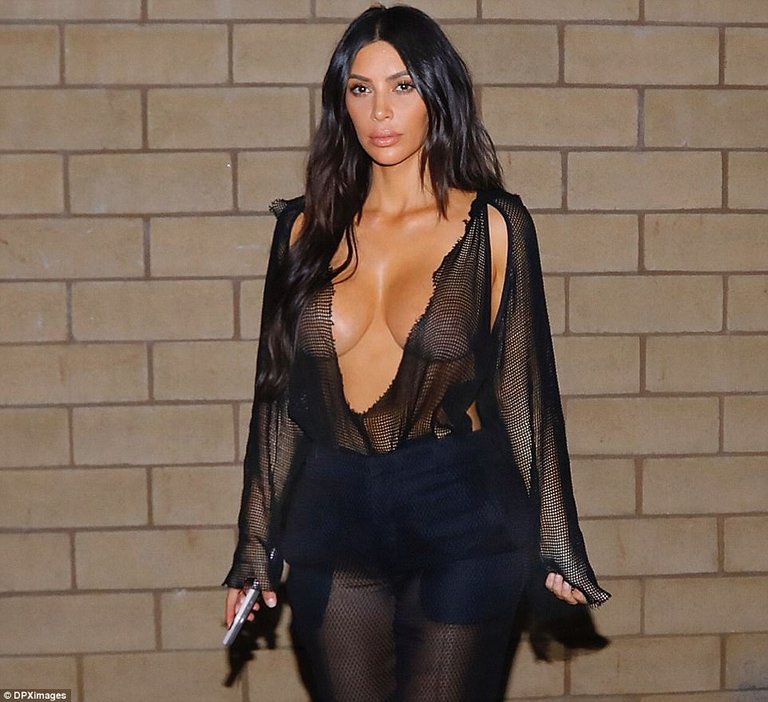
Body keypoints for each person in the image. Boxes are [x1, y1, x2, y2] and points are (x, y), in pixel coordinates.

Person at [224, 4, 609, 700]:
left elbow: (525, 396)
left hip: (459, 515)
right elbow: (277, 397)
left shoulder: (493, 225)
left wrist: (559, 540)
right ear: (341, 103)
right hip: (333, 516)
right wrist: (254, 546)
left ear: (437, 93)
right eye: (360, 88)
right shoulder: (303, 230)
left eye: (402, 86)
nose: (381, 110)